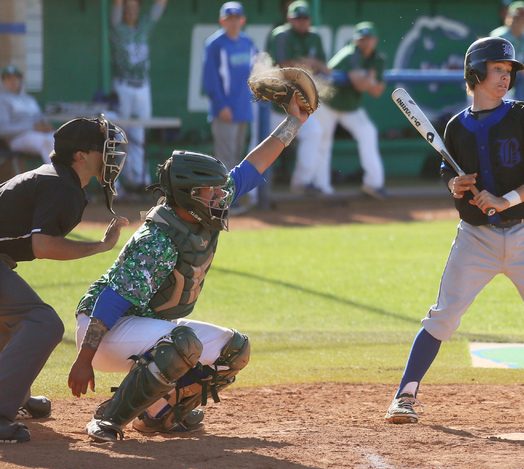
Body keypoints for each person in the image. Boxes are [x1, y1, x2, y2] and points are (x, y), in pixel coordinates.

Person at [67, 97, 310, 443]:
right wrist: (84, 359)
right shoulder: (157, 239)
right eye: (212, 191)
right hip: (103, 330)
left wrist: (294, 123)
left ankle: (160, 414)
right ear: (189, 194)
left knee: (234, 348)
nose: (220, 196)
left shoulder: (200, 212)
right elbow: (111, 299)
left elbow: (252, 166)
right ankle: (108, 418)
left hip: (144, 327)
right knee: (183, 343)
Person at [384, 37, 524, 427]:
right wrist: (454, 184)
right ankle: (404, 396)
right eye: (498, 70)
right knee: (442, 317)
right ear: (476, 73)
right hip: (475, 238)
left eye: (509, 71)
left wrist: (505, 199)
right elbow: (449, 170)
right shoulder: (455, 127)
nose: (505, 77)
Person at [0, 116, 129, 443]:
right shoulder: (61, 185)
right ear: (81, 156)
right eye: (103, 149)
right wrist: (100, 247)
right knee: (44, 322)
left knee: (9, 321)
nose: (111, 156)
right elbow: (43, 245)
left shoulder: (57, 178)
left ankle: (17, 396)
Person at [315, 22, 387, 199]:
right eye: (362, 39)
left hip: (350, 106)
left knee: (369, 132)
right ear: (356, 40)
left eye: (369, 39)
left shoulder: (378, 58)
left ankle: (373, 184)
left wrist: (367, 79)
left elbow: (378, 92)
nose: (366, 43)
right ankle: (321, 187)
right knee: (323, 143)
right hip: (328, 103)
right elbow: (361, 84)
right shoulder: (349, 54)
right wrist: (370, 77)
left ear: (375, 40)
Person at [267, 0, 328, 195]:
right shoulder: (281, 35)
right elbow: (284, 67)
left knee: (314, 132)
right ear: (289, 19)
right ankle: (251, 191)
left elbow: (326, 68)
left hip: (298, 105)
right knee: (262, 145)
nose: (301, 22)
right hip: (274, 104)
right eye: (297, 18)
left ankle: (301, 182)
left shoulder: (315, 37)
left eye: (305, 18)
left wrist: (309, 64)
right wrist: (309, 63)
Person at [202, 2, 257, 213]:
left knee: (237, 158)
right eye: (229, 19)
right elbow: (210, 80)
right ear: (222, 21)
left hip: (244, 109)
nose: (233, 22)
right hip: (224, 110)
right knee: (224, 160)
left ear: (242, 20)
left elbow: (259, 67)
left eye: (237, 18)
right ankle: (219, 204)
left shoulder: (247, 42)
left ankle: (231, 201)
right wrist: (220, 105)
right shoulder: (214, 44)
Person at [110, 0, 168, 196]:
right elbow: (116, 10)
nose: (131, 11)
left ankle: (139, 178)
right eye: (128, 8)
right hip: (123, 85)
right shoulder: (118, 28)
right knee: (121, 134)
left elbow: (157, 9)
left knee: (140, 132)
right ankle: (124, 179)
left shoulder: (143, 27)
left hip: (143, 85)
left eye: (134, 8)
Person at [0, 65, 55, 164]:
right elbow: (2, 130)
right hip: (17, 138)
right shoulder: (2, 100)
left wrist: (46, 125)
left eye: (15, 78)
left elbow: (41, 118)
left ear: (20, 80)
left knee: (63, 139)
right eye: (9, 79)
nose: (13, 82)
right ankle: (58, 177)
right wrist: (32, 127)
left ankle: (72, 176)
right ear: (3, 82)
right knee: (46, 141)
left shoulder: (29, 99)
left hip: (38, 133)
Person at [490, 1, 524, 85]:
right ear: (508, 17)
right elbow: (497, 61)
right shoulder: (499, 35)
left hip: (517, 81)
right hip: (497, 80)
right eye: (517, 18)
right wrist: (521, 69)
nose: (521, 21)